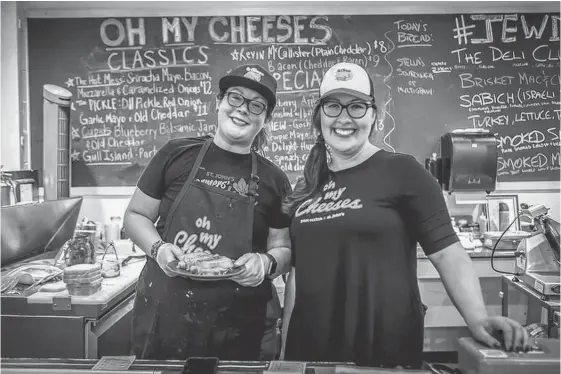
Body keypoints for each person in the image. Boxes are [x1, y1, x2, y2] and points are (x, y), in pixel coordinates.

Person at [280, 62, 530, 369]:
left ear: (374, 115)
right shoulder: (307, 183)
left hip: (381, 344)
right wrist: (284, 353)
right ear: (319, 116)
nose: (344, 118)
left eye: (357, 106)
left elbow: (447, 253)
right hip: (312, 345)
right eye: (333, 106)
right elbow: (297, 275)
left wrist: (477, 318)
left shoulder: (403, 170)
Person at [124, 64, 292, 361]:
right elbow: (136, 216)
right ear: (219, 102)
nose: (243, 109)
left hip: (239, 324)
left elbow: (282, 247)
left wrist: (265, 263)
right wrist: (158, 248)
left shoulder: (274, 179)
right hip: (167, 315)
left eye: (256, 105)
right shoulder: (176, 153)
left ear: (265, 119)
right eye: (235, 98)